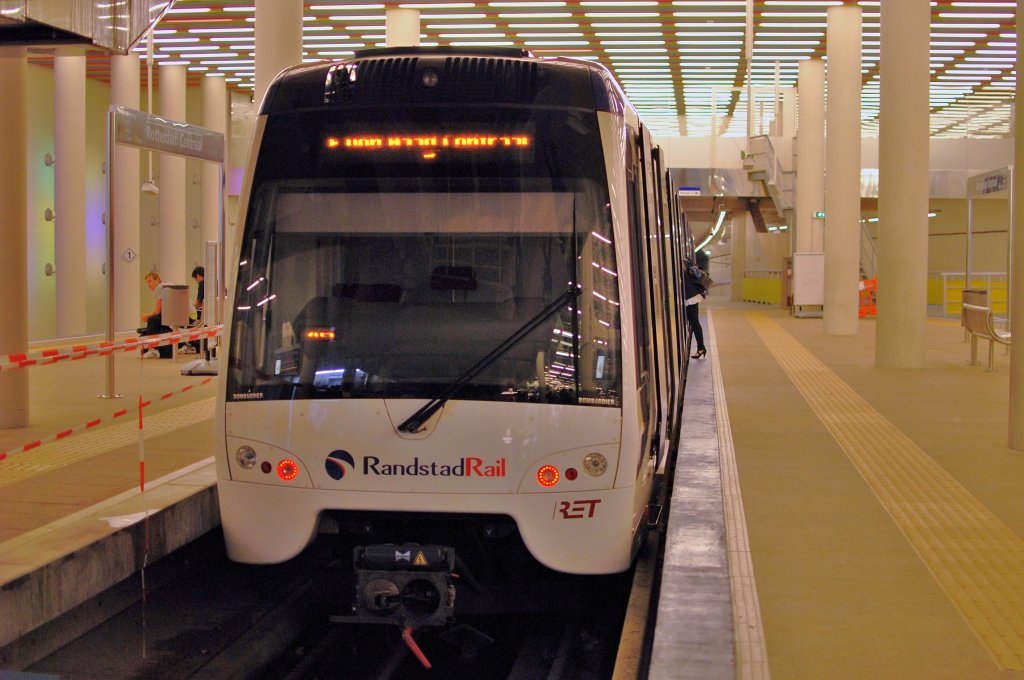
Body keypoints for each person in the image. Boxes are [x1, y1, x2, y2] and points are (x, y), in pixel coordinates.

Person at [140, 271, 171, 358]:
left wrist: (147, 316)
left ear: (158, 280)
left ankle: (152, 349)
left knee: (152, 320)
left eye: (150, 281)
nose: (149, 285)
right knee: (155, 319)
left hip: (174, 317)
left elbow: (157, 311)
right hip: (183, 316)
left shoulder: (160, 288)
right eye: (147, 283)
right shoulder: (166, 287)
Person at [683, 256, 708, 359]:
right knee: (694, 323)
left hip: (691, 298)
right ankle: (700, 348)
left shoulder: (682, 264)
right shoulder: (686, 261)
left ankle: (701, 348)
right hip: (692, 296)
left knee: (695, 323)